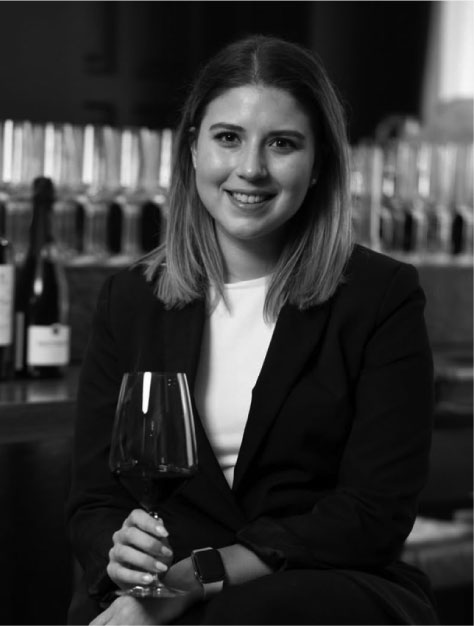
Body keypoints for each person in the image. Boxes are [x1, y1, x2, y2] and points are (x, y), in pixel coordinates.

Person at [66, 34, 439, 625]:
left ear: (319, 163)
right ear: (193, 149)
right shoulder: (130, 299)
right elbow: (95, 498)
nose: (251, 168)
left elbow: (374, 512)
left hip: (321, 583)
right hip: (161, 589)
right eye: (228, 138)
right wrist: (122, 556)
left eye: (282, 143)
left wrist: (199, 577)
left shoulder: (381, 296)